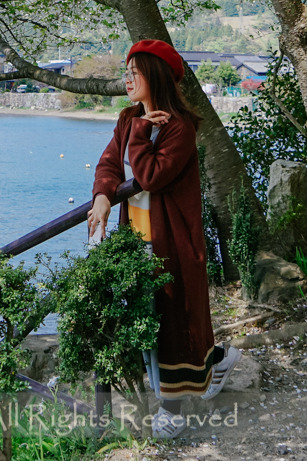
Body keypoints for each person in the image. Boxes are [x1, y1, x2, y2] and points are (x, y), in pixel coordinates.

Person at [88, 39, 240, 438]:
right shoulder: (128, 119)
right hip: (135, 239)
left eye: (134, 72)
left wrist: (139, 132)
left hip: (171, 242)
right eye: (126, 71)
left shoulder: (180, 128)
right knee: (151, 318)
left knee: (173, 321)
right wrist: (103, 198)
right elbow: (109, 164)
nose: (127, 79)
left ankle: (171, 410)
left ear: (154, 75)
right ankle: (219, 361)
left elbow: (150, 176)